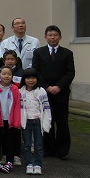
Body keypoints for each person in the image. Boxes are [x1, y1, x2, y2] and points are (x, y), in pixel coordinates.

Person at [31, 25, 75, 160]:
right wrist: (47, 87)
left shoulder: (67, 53)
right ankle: (48, 149)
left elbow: (70, 72)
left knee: (62, 122)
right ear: (45, 37)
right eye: (50, 35)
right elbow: (35, 71)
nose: (52, 37)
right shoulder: (39, 52)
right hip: (44, 92)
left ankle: (62, 151)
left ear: (60, 37)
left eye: (55, 35)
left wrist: (58, 87)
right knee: (46, 121)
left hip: (61, 93)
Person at [19, 68, 52, 175]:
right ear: (24, 79)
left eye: (33, 78)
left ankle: (38, 164)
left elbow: (46, 108)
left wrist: (47, 123)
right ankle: (29, 163)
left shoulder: (41, 91)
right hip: (26, 121)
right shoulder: (21, 91)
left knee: (38, 144)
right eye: (28, 78)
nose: (31, 80)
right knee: (27, 144)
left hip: (38, 121)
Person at [0, 66, 21, 173]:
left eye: (9, 74)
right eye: (4, 74)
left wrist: (17, 121)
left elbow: (17, 105)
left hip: (10, 120)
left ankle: (9, 161)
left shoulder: (15, 89)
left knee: (10, 141)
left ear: (12, 76)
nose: (6, 76)